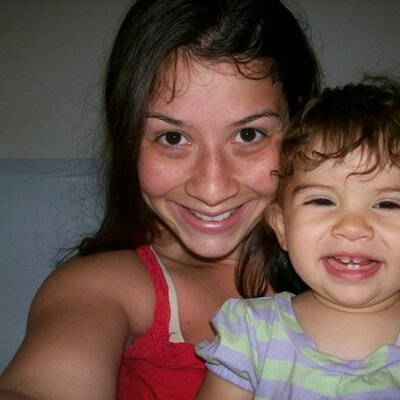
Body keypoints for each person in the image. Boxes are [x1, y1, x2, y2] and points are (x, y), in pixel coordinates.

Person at [0, 0, 320, 399]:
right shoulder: (103, 289)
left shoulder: (363, 265)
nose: (212, 188)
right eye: (173, 138)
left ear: (300, 125)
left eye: (248, 135)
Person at [195, 76, 400, 399]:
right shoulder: (252, 336)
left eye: (388, 204)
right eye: (322, 200)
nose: (352, 227)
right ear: (281, 226)